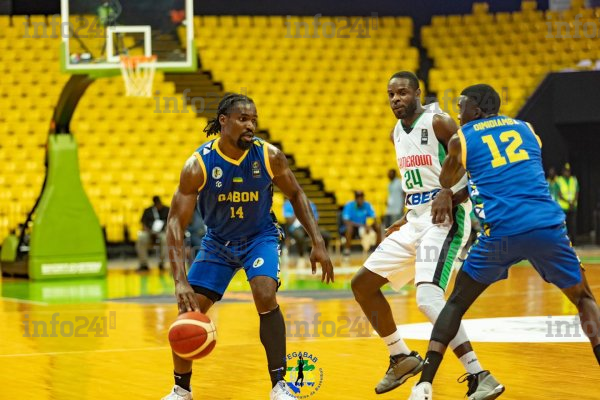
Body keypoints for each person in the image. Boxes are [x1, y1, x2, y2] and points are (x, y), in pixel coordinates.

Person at [410, 84, 600, 400]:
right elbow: (507, 175)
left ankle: (424, 384)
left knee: (455, 303)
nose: (458, 112)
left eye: (461, 106)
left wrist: (447, 191)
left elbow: (446, 179)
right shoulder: (527, 129)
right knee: (584, 298)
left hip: (501, 235)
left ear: (477, 109)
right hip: (547, 228)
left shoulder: (461, 137)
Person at [162, 93, 334, 400]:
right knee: (188, 310)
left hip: (260, 237)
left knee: (265, 294)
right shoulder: (198, 164)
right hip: (218, 242)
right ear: (223, 121)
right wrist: (179, 280)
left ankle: (280, 386)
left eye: (254, 120)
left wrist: (317, 241)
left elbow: (296, 194)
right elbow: (175, 223)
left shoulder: (269, 156)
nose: (250, 125)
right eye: (243, 119)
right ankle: (181, 390)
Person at [351, 71, 500, 398]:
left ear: (418, 93)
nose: (396, 99)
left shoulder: (439, 122)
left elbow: (474, 164)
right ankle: (400, 357)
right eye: (391, 95)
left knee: (428, 299)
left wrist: (453, 195)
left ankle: (479, 374)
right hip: (416, 220)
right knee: (362, 284)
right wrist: (407, 216)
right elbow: (422, 182)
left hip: (445, 220)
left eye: (403, 93)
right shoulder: (395, 133)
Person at [341, 190, 381, 256]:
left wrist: (369, 225)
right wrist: (362, 225)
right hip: (354, 228)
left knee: (377, 226)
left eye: (361, 197)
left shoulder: (367, 205)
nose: (360, 199)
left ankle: (378, 249)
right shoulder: (349, 205)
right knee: (349, 227)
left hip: (365, 227)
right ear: (355, 198)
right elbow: (346, 221)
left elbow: (374, 217)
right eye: (358, 197)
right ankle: (347, 250)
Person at [136, 195, 169, 272]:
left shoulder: (167, 210)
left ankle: (162, 263)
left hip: (162, 232)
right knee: (141, 238)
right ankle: (143, 264)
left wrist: (166, 229)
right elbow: (143, 224)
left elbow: (171, 223)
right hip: (149, 232)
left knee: (165, 239)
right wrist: (149, 231)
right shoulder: (148, 211)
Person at [556, 163, 579, 245]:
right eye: (565, 171)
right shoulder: (559, 180)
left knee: (573, 225)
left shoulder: (574, 180)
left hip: (572, 207)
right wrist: (568, 202)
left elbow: (577, 192)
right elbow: (559, 194)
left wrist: (573, 202)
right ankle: (563, 243)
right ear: (563, 171)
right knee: (563, 226)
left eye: (568, 171)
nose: (567, 172)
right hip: (563, 207)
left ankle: (574, 242)